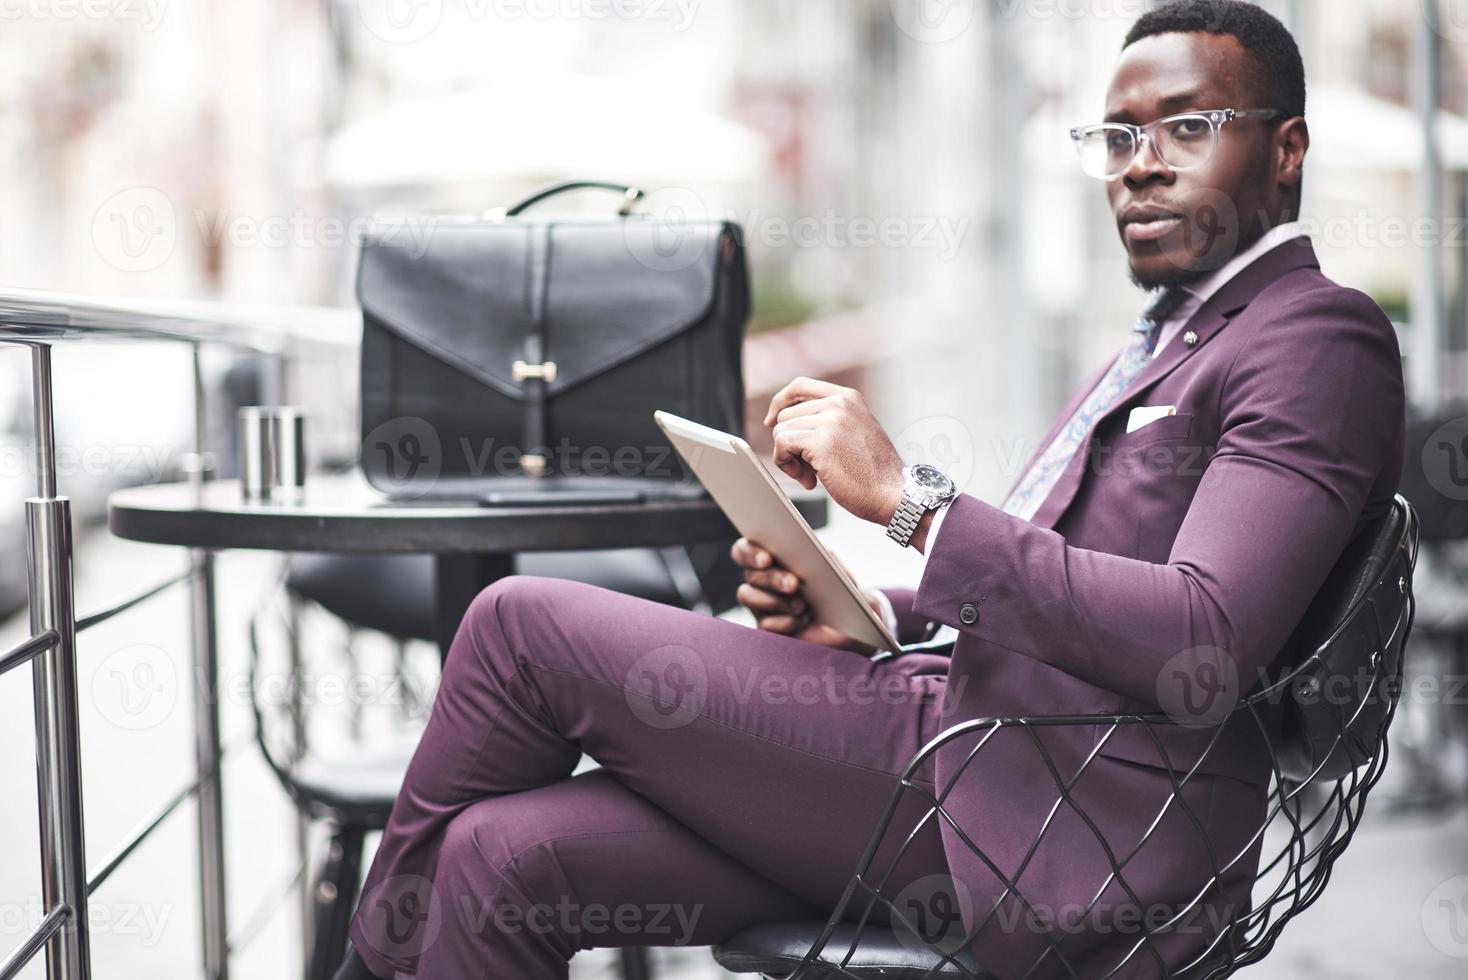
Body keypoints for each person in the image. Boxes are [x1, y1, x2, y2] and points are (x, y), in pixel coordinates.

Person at [335, 2, 1405, 977]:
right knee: (499, 854)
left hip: (1053, 827)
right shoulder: (1166, 335)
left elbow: (1201, 638)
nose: (1138, 163)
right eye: (1117, 136)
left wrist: (909, 501)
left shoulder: (1313, 336)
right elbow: (1072, 597)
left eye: (1185, 126)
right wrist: (864, 615)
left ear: (1284, 150)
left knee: (519, 625)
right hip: (964, 762)